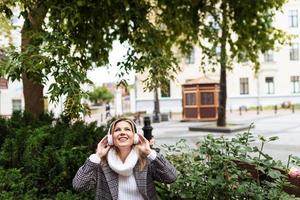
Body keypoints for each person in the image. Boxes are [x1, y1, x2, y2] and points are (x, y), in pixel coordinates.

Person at [73, 118, 177, 200]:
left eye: (127, 129)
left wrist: (150, 152)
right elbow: (78, 186)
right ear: (111, 138)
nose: (122, 132)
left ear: (135, 137)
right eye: (117, 130)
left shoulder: (145, 159)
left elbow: (171, 177)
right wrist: (97, 156)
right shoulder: (101, 163)